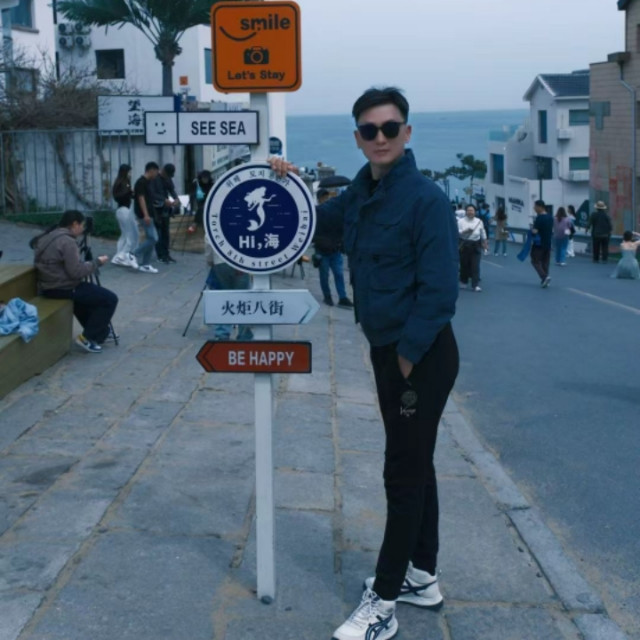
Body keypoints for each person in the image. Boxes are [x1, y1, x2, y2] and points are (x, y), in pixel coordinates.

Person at [272, 86, 459, 640]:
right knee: (417, 463)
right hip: (388, 352)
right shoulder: (359, 194)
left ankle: (383, 603)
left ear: (407, 132)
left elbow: (440, 292)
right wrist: (283, 180)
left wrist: (405, 359)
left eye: (390, 128)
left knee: (401, 471)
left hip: (419, 356)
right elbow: (309, 222)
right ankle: (421, 576)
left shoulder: (426, 200)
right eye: (370, 130)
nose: (381, 138)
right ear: (357, 138)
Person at [32, 210, 118, 353]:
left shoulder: (49, 236)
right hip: (62, 287)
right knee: (109, 299)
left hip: (49, 285)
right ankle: (87, 337)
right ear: (74, 224)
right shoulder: (67, 241)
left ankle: (100, 333)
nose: (83, 229)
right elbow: (76, 272)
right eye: (82, 225)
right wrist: (96, 263)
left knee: (83, 298)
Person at [204, 242, 254, 341]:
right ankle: (244, 333)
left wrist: (210, 259)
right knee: (243, 299)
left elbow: (209, 241)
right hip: (242, 262)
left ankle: (222, 332)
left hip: (220, 261)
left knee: (223, 297)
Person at [313, 188, 353, 308]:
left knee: (339, 274)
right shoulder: (316, 212)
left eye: (327, 197)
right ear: (319, 199)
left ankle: (342, 297)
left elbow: (342, 226)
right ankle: (327, 296)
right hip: (322, 249)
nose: (326, 199)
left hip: (335, 249)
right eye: (324, 197)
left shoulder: (335, 210)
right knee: (324, 275)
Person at [133, 161, 161, 273]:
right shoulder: (141, 182)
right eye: (156, 172)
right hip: (145, 214)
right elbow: (141, 198)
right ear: (151, 170)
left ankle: (145, 264)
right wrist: (146, 215)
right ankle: (133, 254)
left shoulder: (148, 182)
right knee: (154, 238)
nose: (157, 174)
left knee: (151, 239)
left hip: (150, 213)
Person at [110, 164, 139, 270]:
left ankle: (118, 256)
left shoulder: (119, 182)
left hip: (121, 210)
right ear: (125, 172)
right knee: (131, 235)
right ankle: (122, 255)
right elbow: (123, 195)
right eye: (129, 172)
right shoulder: (125, 183)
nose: (131, 174)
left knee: (124, 235)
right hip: (124, 211)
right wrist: (130, 191)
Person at [150, 163, 179, 264]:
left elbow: (172, 190)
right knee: (158, 233)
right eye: (167, 175)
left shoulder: (168, 179)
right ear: (163, 171)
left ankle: (166, 253)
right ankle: (160, 255)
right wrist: (163, 199)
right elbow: (152, 194)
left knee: (166, 232)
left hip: (165, 208)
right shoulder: (155, 178)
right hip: (155, 209)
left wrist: (176, 198)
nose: (168, 177)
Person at [458, 204, 487, 291]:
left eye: (472, 210)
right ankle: (464, 281)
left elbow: (482, 232)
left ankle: (475, 285)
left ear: (475, 212)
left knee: (475, 265)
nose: (470, 212)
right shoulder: (461, 221)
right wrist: (465, 231)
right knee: (464, 264)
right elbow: (457, 232)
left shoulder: (479, 221)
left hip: (476, 244)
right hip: (464, 244)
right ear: (466, 212)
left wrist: (485, 242)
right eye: (468, 210)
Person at [531, 199, 553, 287]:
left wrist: (532, 231)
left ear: (540, 207)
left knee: (535, 261)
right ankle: (545, 280)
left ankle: (544, 277)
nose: (534, 208)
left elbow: (535, 231)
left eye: (535, 206)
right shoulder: (550, 217)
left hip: (539, 243)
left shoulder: (539, 218)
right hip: (548, 243)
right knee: (545, 262)